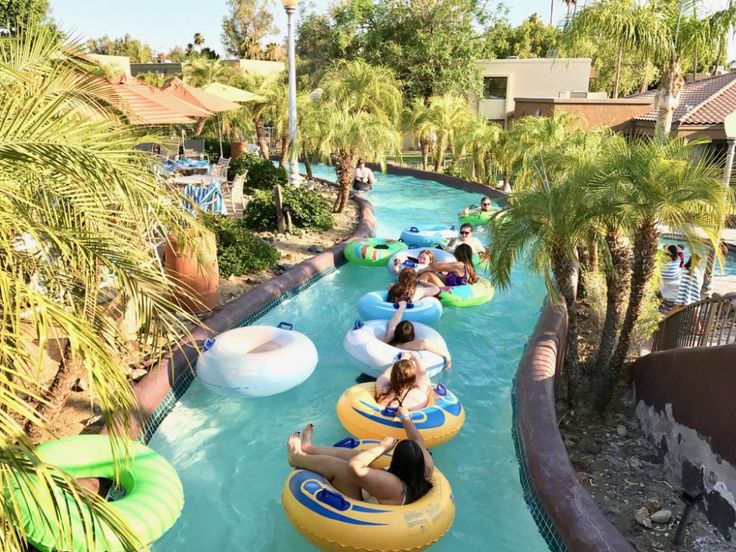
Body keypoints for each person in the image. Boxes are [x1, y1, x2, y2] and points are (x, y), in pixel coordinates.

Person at [286, 408, 433, 505]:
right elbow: (417, 440)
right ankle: (309, 448)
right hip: (376, 491)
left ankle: (297, 457)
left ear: (397, 462)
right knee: (359, 455)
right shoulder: (426, 467)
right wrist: (404, 416)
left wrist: (383, 448)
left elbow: (353, 467)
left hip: (361, 501)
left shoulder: (394, 485)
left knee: (343, 469)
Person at [384, 301, 452, 370]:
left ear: (396, 331)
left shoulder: (389, 338)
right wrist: (447, 356)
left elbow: (395, 319)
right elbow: (424, 343)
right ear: (412, 335)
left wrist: (402, 306)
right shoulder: (406, 345)